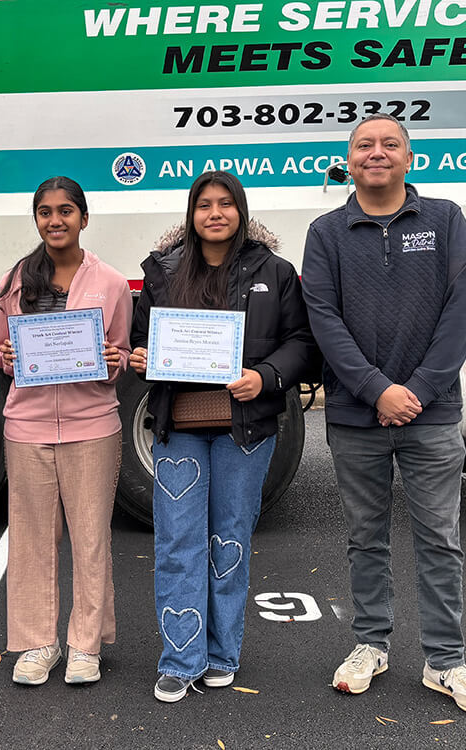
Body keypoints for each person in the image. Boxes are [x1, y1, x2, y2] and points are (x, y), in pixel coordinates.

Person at [300, 113, 466, 716]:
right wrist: (375, 391)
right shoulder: (326, 232)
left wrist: (414, 391)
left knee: (440, 539)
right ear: (349, 160)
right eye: (365, 145)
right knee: (366, 539)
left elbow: (459, 309)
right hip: (357, 419)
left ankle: (445, 661)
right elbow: (323, 320)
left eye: (390, 143)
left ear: (410, 157)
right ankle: (370, 645)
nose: (377, 152)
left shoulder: (444, 220)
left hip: (431, 415)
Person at [129, 171, 319, 703]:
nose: (215, 213)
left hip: (245, 429)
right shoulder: (163, 273)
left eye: (225, 204)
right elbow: (142, 341)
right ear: (191, 214)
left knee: (229, 542)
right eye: (204, 205)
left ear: (241, 210)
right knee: (176, 544)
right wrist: (143, 357)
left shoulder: (274, 272)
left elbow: (302, 343)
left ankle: (220, 654)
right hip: (178, 430)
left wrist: (266, 376)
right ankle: (179, 657)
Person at [0, 176, 132, 686]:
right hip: (26, 426)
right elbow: (2, 351)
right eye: (46, 212)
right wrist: (4, 357)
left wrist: (114, 360)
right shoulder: (12, 281)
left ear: (84, 218)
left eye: (66, 211)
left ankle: (85, 645)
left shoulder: (112, 283)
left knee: (91, 538)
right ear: (37, 220)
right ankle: (36, 644)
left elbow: (116, 356)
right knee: (31, 539)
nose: (56, 220)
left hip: (92, 425)